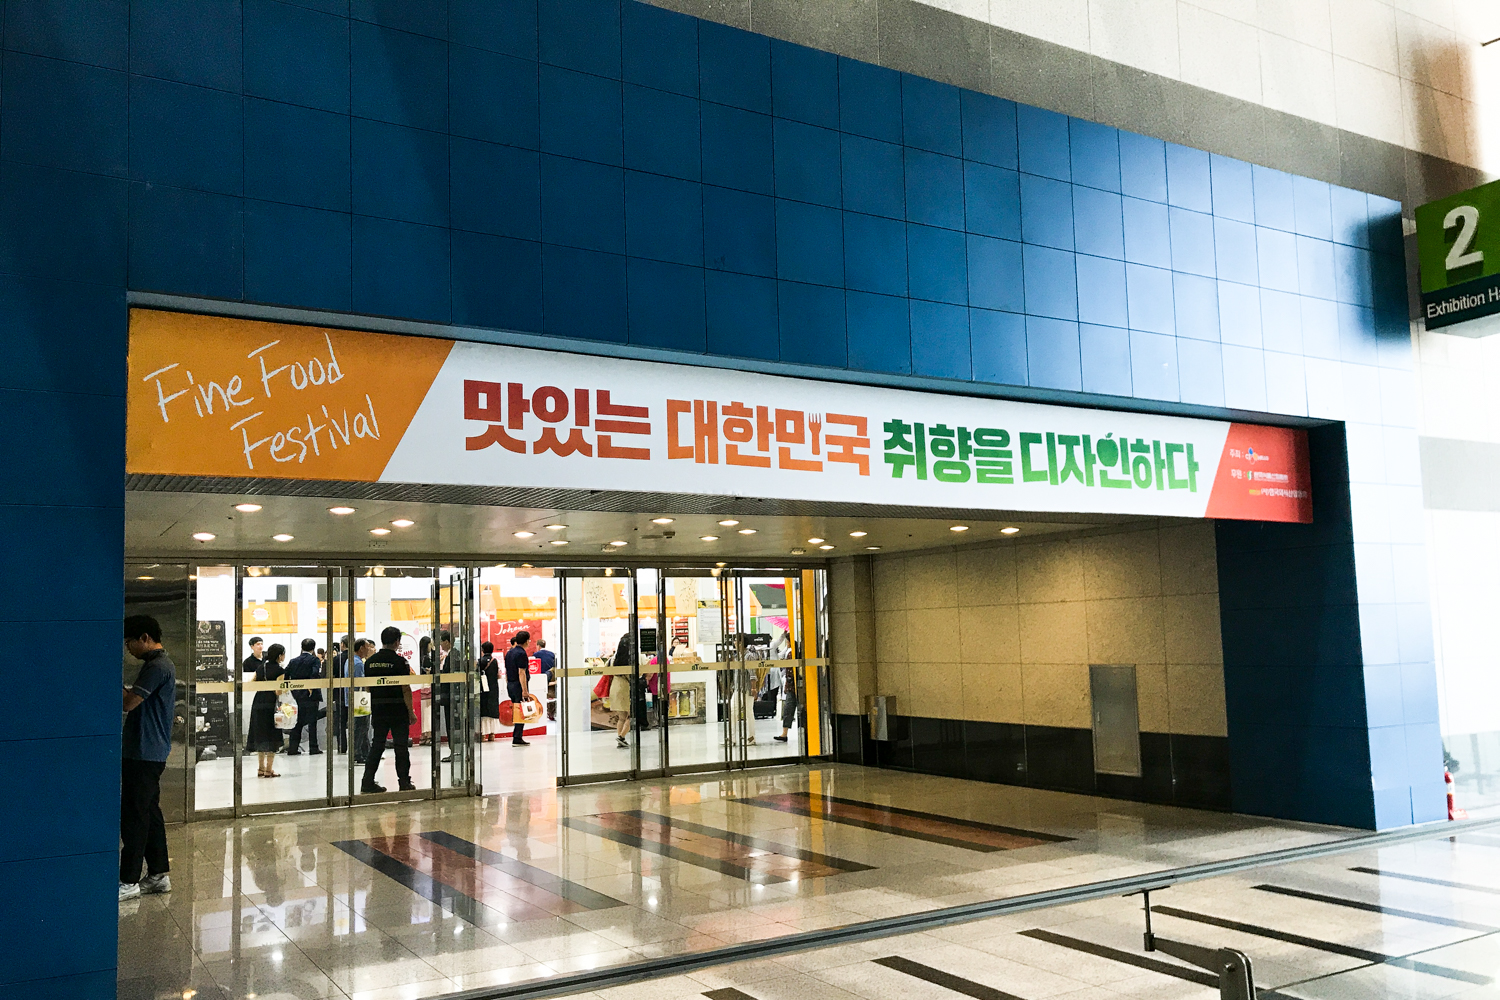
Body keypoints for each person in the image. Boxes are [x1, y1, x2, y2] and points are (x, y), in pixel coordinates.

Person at [120, 614, 177, 901]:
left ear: (144, 638)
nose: (128, 648)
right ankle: (158, 875)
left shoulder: (157, 666)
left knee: (135, 815)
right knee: (149, 812)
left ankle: (128, 880)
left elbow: (129, 703)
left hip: (144, 752)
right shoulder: (158, 665)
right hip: (148, 750)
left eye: (129, 642)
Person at [362, 626, 415, 793]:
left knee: (377, 745)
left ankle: (367, 781)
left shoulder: (370, 662)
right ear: (397, 642)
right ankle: (404, 782)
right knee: (401, 747)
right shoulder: (400, 662)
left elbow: (368, 688)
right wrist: (411, 711)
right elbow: (405, 688)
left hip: (378, 708)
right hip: (397, 708)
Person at [246, 644, 286, 777]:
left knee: (260, 733)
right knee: (272, 734)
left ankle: (260, 768)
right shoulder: (280, 670)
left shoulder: (261, 667)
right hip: (271, 703)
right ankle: (269, 769)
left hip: (258, 701)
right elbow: (278, 691)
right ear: (279, 656)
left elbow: (252, 683)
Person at [284, 638, 324, 755]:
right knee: (312, 722)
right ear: (313, 648)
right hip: (311, 695)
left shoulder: (293, 661)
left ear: (301, 647)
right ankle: (313, 747)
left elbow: (286, 674)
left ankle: (293, 747)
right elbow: (315, 674)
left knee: (297, 721)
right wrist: (310, 687)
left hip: (296, 694)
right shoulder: (314, 660)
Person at [505, 631, 532, 746]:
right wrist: (525, 690)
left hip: (510, 684)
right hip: (518, 685)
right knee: (521, 711)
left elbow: (507, 671)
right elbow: (522, 672)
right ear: (526, 641)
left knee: (516, 710)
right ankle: (517, 737)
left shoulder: (510, 652)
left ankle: (517, 736)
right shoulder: (521, 654)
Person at [350, 638, 372, 764]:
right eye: (367, 647)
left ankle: (365, 752)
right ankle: (357, 753)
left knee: (362, 727)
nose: (369, 650)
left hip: (355, 698)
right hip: (360, 699)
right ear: (361, 648)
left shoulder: (351, 661)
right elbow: (361, 684)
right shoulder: (358, 664)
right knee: (361, 727)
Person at [477, 641, 499, 741]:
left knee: (484, 711)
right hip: (493, 688)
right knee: (493, 711)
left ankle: (482, 734)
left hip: (483, 688)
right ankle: (492, 734)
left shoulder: (480, 661)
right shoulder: (494, 661)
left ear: (482, 650)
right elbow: (497, 675)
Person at [536, 639, 557, 721]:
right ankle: (551, 713)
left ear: (538, 646)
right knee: (552, 697)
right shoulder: (552, 654)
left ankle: (544, 713)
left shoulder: (536, 654)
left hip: (542, 677)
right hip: (553, 676)